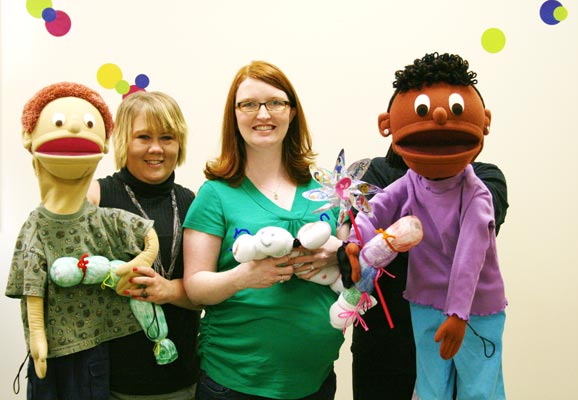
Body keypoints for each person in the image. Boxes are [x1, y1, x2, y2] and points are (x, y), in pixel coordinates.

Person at [348, 52, 509, 399]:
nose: (437, 116)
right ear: (387, 124)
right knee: (431, 387)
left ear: (484, 122)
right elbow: (374, 210)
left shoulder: (480, 187)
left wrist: (459, 313)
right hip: (412, 313)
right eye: (422, 109)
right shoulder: (401, 179)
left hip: (475, 309)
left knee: (480, 388)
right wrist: (355, 242)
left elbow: (470, 251)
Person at [182, 60, 346, 400]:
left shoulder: (325, 189)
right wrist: (244, 277)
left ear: (292, 112)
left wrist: (338, 256)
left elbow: (357, 263)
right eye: (249, 104)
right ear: (234, 115)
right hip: (235, 382)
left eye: (275, 103)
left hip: (315, 381)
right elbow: (195, 287)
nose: (263, 114)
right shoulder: (215, 194)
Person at [6, 82, 159, 400]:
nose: (75, 128)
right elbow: (32, 286)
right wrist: (37, 336)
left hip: (93, 348)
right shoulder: (36, 225)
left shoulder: (102, 218)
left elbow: (145, 233)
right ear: (29, 138)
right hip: (51, 352)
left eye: (87, 124)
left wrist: (139, 262)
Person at [87, 91, 201, 400]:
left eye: (167, 137)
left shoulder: (193, 202)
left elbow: (209, 296)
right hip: (111, 383)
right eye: (143, 137)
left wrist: (169, 290)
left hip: (184, 382)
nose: (156, 148)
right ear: (124, 140)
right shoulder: (95, 197)